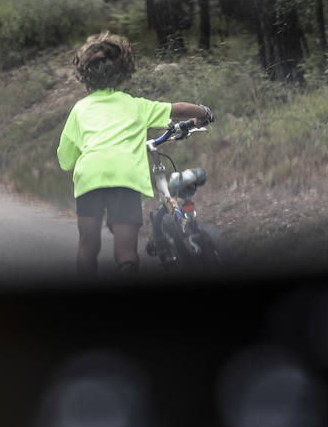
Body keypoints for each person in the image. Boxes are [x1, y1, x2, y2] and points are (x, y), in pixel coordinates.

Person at [57, 32, 214, 277]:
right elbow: (179, 108)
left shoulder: (80, 109)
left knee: (87, 247)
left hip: (90, 179)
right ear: (123, 71)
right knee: (126, 253)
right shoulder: (135, 105)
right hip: (125, 178)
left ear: (85, 73)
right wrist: (203, 112)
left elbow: (66, 160)